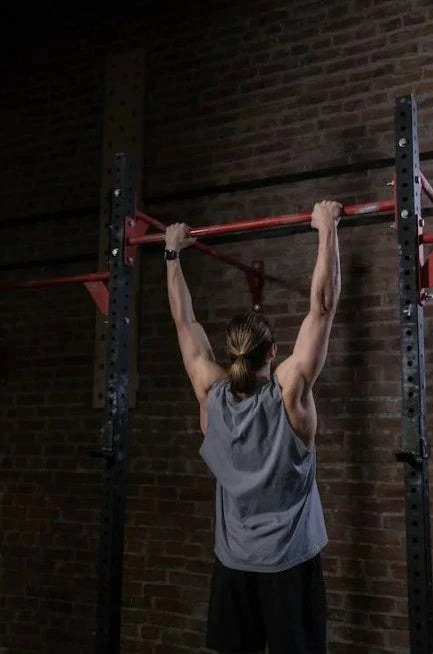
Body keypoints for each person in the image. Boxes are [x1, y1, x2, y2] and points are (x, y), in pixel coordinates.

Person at [164, 200, 342, 654]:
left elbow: (184, 323)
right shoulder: (290, 393)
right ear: (272, 352)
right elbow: (321, 309)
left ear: (232, 352)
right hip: (290, 564)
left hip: (234, 567)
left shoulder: (211, 394)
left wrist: (172, 254)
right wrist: (326, 228)